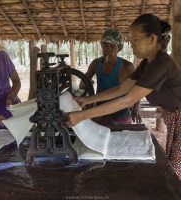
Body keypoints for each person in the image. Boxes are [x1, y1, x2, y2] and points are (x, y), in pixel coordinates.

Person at [67, 14, 181, 180]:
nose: (131, 45)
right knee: (172, 167)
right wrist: (86, 100)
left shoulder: (160, 64)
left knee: (174, 174)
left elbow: (127, 100)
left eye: (135, 40)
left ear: (152, 39)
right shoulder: (148, 63)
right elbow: (121, 88)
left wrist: (80, 116)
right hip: (173, 116)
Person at [79, 28, 141, 125]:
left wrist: (136, 109)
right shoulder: (95, 64)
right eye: (105, 45)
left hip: (120, 113)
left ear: (119, 48)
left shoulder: (127, 66)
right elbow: (83, 83)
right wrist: (85, 84)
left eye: (112, 46)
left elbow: (138, 89)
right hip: (99, 112)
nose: (108, 49)